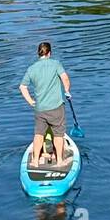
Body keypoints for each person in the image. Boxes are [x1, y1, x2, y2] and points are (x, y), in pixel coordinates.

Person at [20, 41, 72, 169]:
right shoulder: (56, 64)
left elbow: (22, 87)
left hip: (40, 109)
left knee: (38, 134)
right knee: (59, 135)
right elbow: (65, 78)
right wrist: (66, 91)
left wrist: (31, 101)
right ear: (49, 53)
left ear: (39, 53)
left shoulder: (31, 68)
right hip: (56, 107)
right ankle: (59, 161)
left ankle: (35, 162)